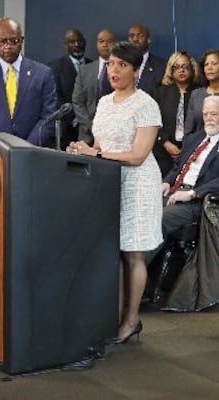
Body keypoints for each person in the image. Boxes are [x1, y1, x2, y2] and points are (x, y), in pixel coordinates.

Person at [67, 42, 162, 344]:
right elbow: (100, 146)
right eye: (110, 64)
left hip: (137, 185)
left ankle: (131, 319)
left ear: (136, 71)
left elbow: (137, 155)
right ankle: (111, 315)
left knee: (133, 254)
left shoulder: (146, 104)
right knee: (112, 253)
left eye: (122, 65)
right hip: (108, 183)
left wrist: (97, 155)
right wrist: (84, 150)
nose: (114, 70)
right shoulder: (105, 102)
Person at [160, 95, 219, 240]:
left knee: (158, 219)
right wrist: (166, 182)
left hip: (200, 200)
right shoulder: (193, 138)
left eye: (214, 114)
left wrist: (193, 193)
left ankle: (138, 262)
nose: (208, 118)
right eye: (205, 114)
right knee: (140, 211)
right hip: (174, 190)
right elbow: (178, 167)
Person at [0, 17, 57, 146]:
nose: (8, 46)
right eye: (2, 41)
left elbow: (49, 117)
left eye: (14, 41)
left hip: (32, 151)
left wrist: (25, 148)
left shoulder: (43, 74)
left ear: (22, 40)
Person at [153, 51, 201, 177]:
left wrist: (188, 148)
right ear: (170, 69)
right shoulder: (160, 92)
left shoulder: (200, 93)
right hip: (163, 150)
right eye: (177, 67)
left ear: (193, 69)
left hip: (193, 152)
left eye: (185, 67)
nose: (181, 70)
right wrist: (166, 143)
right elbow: (153, 121)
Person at [48, 28, 91, 149]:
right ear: (65, 45)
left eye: (79, 41)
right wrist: (76, 116)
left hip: (90, 131)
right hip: (65, 131)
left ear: (85, 43)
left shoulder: (93, 66)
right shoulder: (54, 67)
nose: (77, 45)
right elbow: (56, 97)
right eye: (72, 42)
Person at [72, 28, 116, 145]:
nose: (105, 45)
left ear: (115, 44)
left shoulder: (121, 70)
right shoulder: (85, 70)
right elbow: (77, 101)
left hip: (114, 135)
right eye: (101, 41)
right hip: (87, 135)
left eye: (109, 41)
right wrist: (91, 127)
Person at [127, 23, 166, 97]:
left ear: (148, 40)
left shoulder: (161, 66)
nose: (135, 39)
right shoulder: (120, 65)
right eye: (132, 36)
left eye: (140, 36)